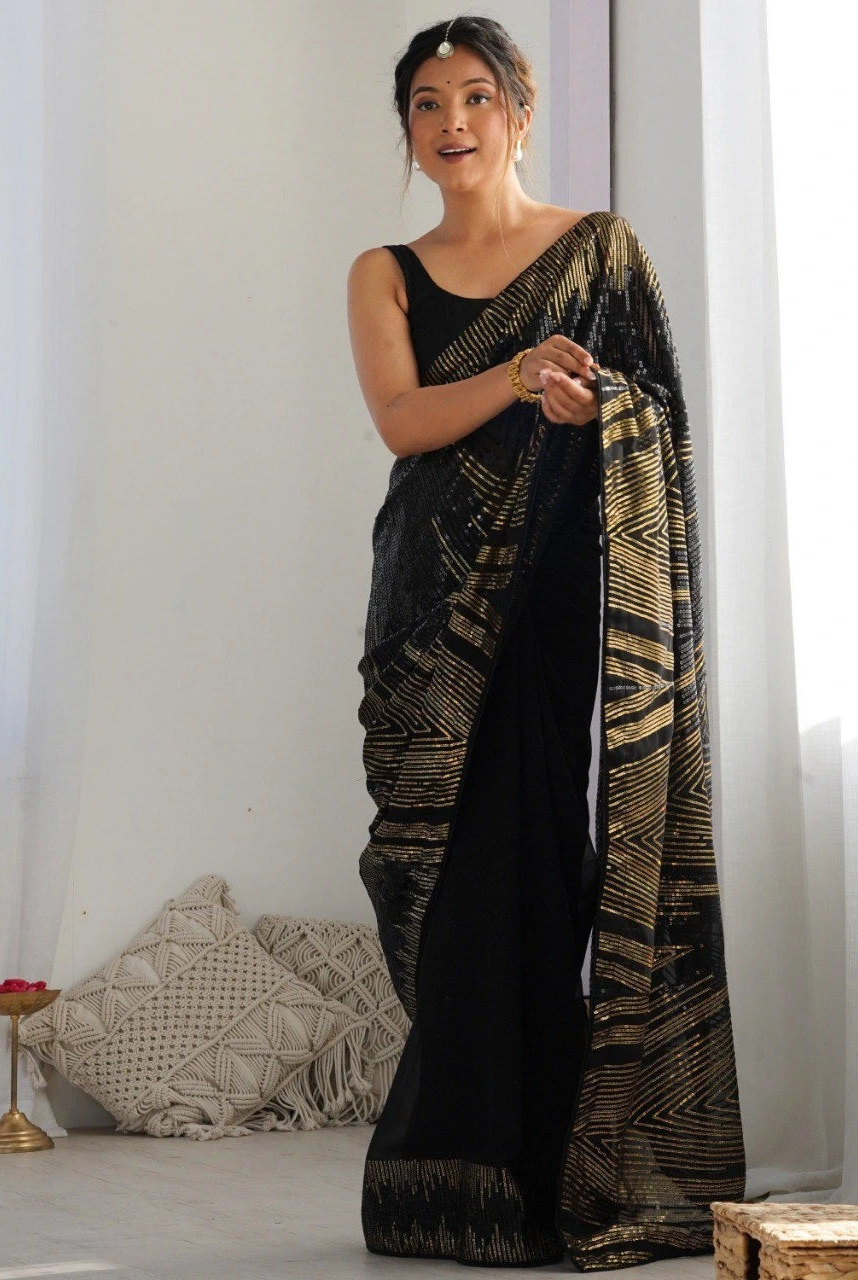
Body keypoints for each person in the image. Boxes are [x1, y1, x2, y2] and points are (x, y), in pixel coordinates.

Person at [346, 15, 746, 1272]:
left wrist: (598, 402)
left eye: (475, 96)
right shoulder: (384, 270)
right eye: (425, 103)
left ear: (519, 110)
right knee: (441, 880)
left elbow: (658, 421)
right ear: (408, 132)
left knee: (542, 861)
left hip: (565, 593)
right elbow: (406, 422)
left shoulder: (599, 252)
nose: (451, 121)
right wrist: (522, 375)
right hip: (428, 607)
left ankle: (544, 1175)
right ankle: (440, 1184)